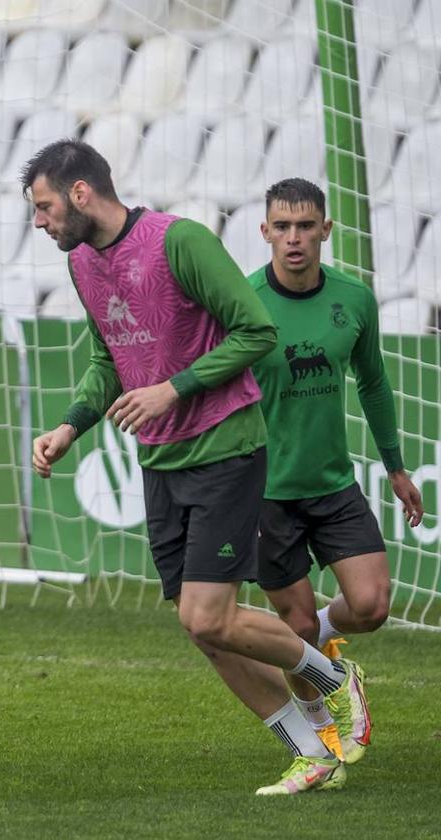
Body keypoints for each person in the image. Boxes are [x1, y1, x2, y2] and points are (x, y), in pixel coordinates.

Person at [26, 140, 364, 795]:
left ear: (79, 193)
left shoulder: (179, 241)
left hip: (225, 448)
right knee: (202, 631)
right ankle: (314, 752)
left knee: (210, 617)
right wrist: (71, 424)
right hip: (160, 459)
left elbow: (257, 331)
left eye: (43, 207)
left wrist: (174, 388)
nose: (39, 222)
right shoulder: (84, 266)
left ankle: (333, 677)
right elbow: (109, 360)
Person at [249, 177, 424, 763]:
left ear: (326, 230)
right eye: (282, 226)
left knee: (372, 606)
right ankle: (324, 728)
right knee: (292, 633)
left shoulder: (355, 300)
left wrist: (396, 468)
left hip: (333, 485)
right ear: (265, 230)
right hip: (265, 495)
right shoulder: (243, 303)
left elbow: (373, 383)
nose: (293, 238)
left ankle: (325, 631)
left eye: (305, 227)